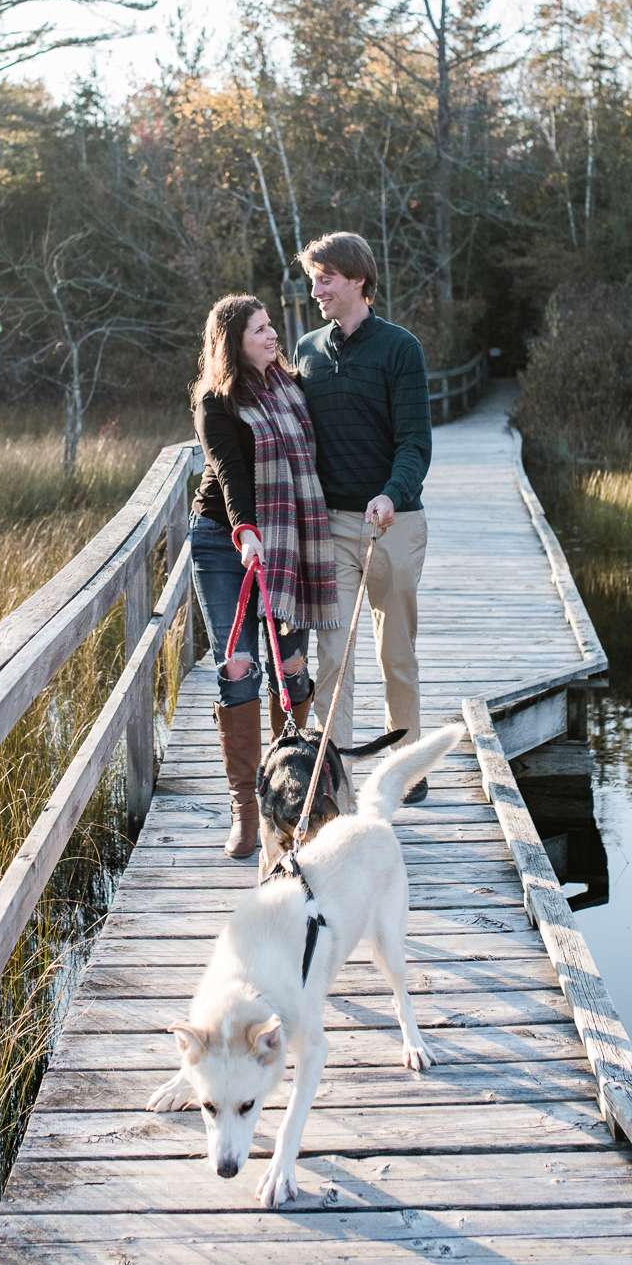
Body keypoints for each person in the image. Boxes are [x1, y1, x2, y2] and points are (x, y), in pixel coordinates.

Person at [190, 295, 340, 857]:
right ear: (234, 340)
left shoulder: (294, 387)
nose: (273, 335)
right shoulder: (216, 401)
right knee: (238, 666)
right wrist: (245, 529)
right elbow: (229, 471)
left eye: (272, 325)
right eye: (260, 329)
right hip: (225, 541)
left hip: (290, 542)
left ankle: (291, 790)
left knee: (292, 668)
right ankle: (246, 811)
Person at [293, 233, 433, 800]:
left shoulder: (401, 349)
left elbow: (415, 443)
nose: (316, 289)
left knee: (394, 653)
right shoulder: (305, 351)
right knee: (335, 656)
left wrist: (391, 494)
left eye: (325, 278)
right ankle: (336, 772)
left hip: (391, 523)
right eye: (312, 279)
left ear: (357, 280)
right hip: (329, 526)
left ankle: (406, 767)